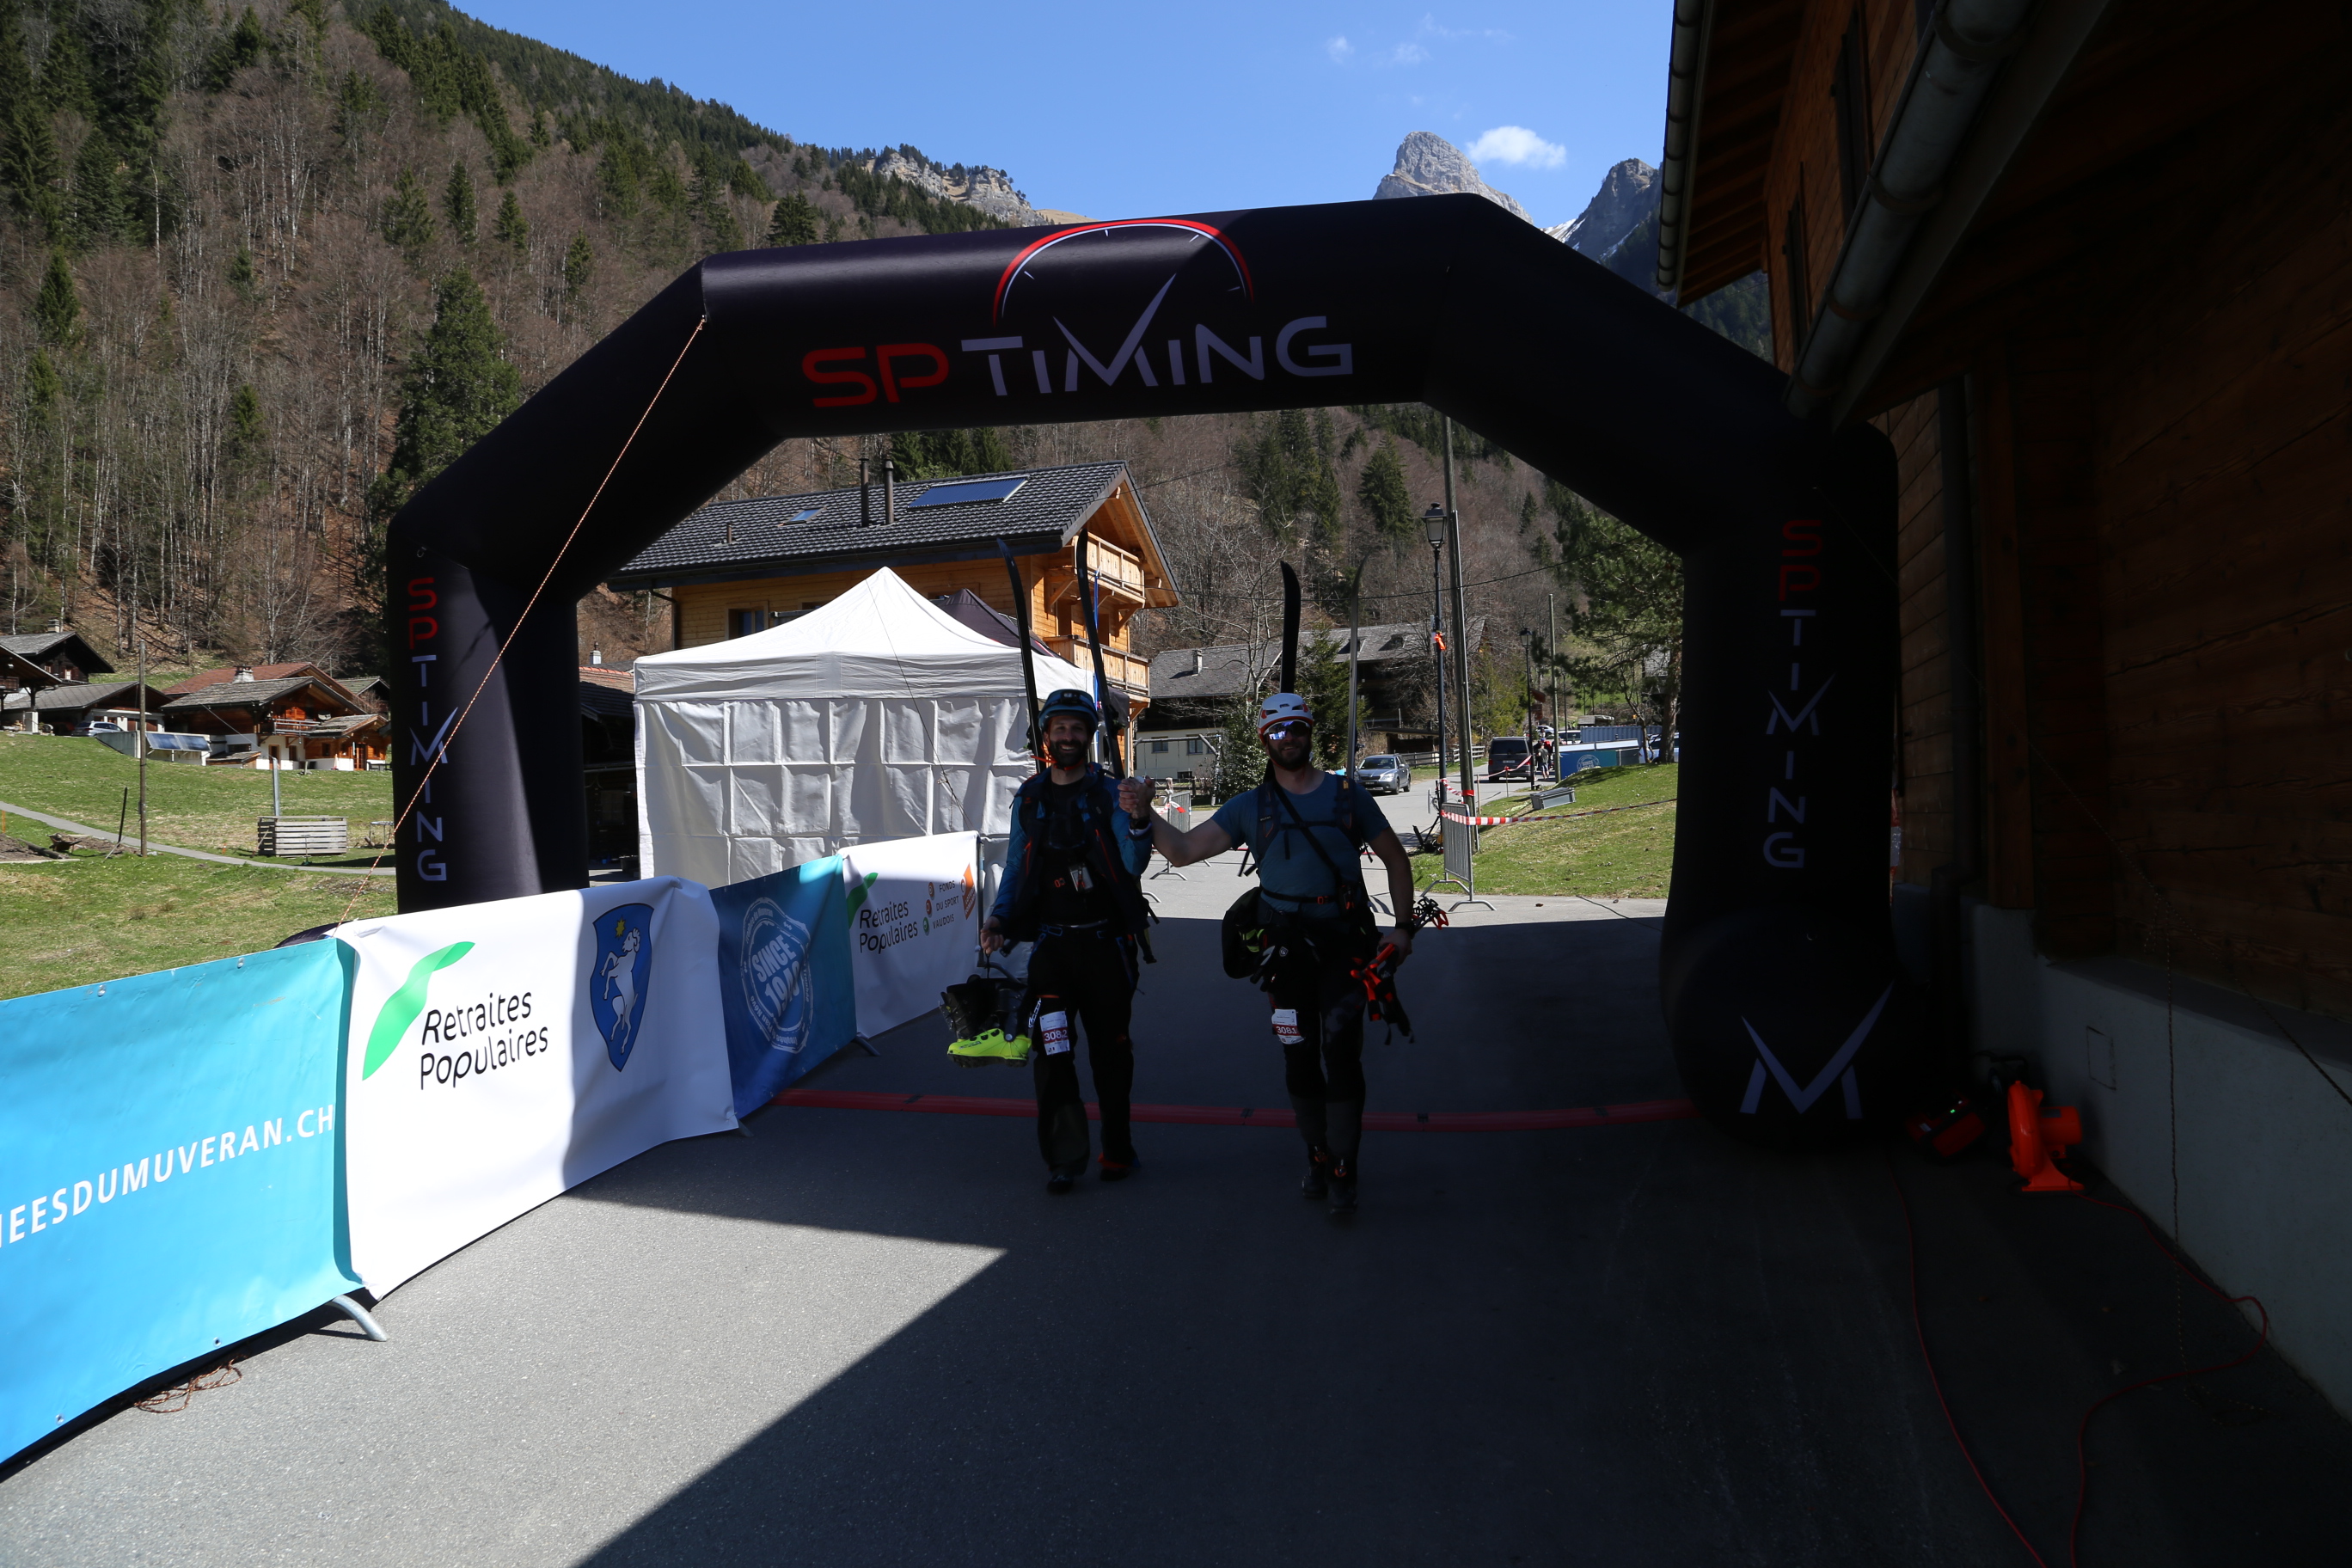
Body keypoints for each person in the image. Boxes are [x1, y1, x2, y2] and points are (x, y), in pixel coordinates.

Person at [1119, 692, 1418, 1215]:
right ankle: (1317, 1153)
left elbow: (1396, 859)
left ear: (1310, 732)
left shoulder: (1348, 796)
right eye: (1278, 732)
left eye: (1297, 729)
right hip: (1285, 950)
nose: (1289, 739)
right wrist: (1145, 813)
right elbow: (1184, 851)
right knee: (1298, 1055)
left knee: (1342, 1055)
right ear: (1265, 740)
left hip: (1346, 942)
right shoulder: (1249, 806)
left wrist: (1403, 928)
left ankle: (1344, 1164)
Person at [981, 689, 1155, 1193]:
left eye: (1078, 728)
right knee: (1053, 1056)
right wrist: (999, 917)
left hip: (1106, 951)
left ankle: (1117, 1149)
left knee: (1111, 1056)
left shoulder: (1112, 794)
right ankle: (1064, 1158)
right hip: (1052, 954)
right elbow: (1016, 868)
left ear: (1090, 736)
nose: (1069, 736)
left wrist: (1139, 818)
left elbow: (1133, 864)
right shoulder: (1029, 798)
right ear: (1046, 737)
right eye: (1060, 728)